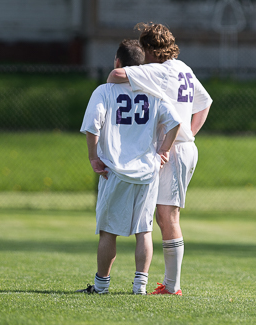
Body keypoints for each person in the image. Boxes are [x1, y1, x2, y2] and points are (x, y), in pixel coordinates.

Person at [107, 22, 213, 296]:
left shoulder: (159, 70)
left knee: (167, 216)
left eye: (144, 48)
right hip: (180, 146)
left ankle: (172, 286)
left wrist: (183, 136)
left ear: (151, 50)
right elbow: (205, 103)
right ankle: (169, 283)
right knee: (164, 215)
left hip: (174, 150)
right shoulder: (183, 67)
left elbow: (116, 74)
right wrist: (190, 133)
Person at [77, 39, 183, 295]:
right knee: (143, 230)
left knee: (107, 232)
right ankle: (140, 287)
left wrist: (93, 157)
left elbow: (92, 127)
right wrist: (163, 151)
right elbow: (175, 122)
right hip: (147, 172)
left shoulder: (104, 91)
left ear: (117, 61)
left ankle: (101, 286)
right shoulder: (153, 93)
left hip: (115, 171)